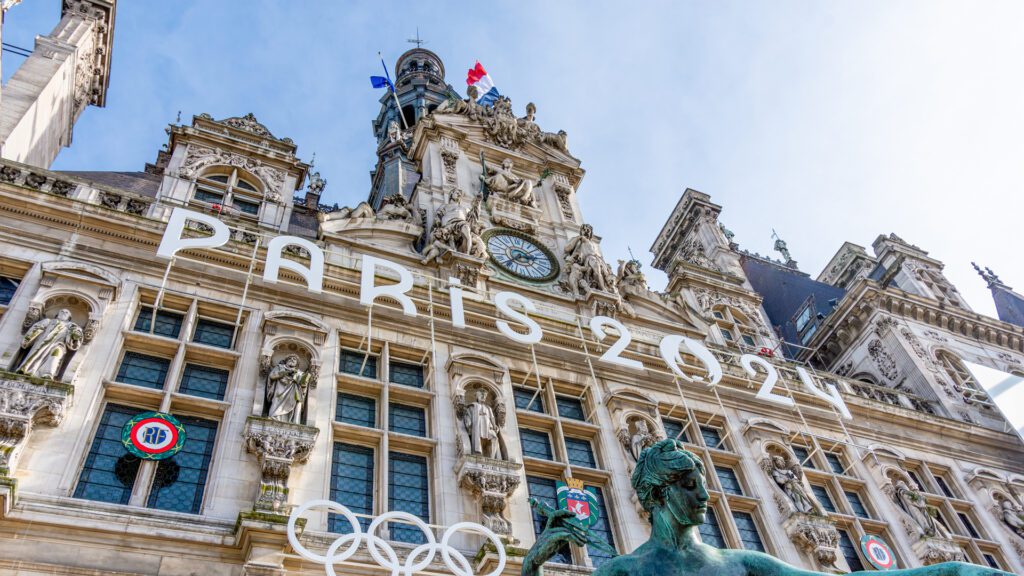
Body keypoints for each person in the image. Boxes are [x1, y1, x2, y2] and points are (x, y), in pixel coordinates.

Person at [524, 439, 1009, 576]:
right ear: (656, 495)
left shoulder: (747, 563)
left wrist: (952, 571)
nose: (705, 496)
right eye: (690, 485)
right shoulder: (622, 573)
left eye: (703, 483)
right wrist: (530, 565)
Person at [17, 308, 83, 379]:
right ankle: (29, 370)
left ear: (69, 317)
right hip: (42, 342)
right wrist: (31, 336)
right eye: (62, 311)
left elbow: (77, 332)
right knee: (36, 354)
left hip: (58, 344)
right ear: (57, 314)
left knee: (56, 354)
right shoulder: (48, 321)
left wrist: (76, 334)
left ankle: (48, 374)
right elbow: (37, 327)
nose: (63, 313)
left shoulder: (70, 325)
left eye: (66, 312)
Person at [266, 354, 310, 424]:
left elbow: (303, 385)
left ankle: (290, 421)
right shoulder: (280, 367)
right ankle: (274, 417)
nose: (292, 360)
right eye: (290, 358)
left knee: (293, 404)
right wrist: (286, 372)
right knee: (276, 402)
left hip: (293, 391)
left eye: (294, 359)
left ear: (297, 363)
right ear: (286, 361)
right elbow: (272, 376)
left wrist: (303, 381)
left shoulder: (299, 373)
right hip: (280, 390)